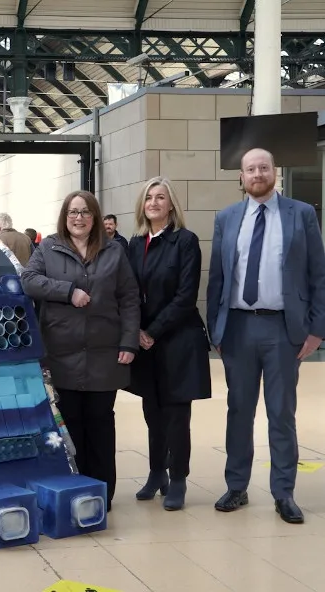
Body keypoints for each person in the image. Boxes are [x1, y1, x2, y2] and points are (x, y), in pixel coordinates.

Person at [207, 148, 325, 525]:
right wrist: (217, 328)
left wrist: (316, 329)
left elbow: (319, 276)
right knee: (239, 411)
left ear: (275, 172)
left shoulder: (301, 214)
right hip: (238, 328)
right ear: (241, 177)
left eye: (264, 167)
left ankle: (284, 493)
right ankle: (237, 486)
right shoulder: (226, 218)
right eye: (250, 169)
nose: (257, 173)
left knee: (281, 413)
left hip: (283, 329)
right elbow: (217, 279)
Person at [21, 190, 140, 511]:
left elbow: (129, 298)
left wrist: (129, 341)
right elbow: (27, 279)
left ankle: (103, 493)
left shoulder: (114, 251)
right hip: (62, 353)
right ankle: (76, 489)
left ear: (95, 217)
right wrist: (67, 291)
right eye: (73, 212)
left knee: (101, 424)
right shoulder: (48, 248)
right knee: (71, 424)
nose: (79, 218)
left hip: (104, 353)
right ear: (65, 216)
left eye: (85, 212)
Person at [127, 177, 211, 511]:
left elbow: (186, 296)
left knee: (176, 415)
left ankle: (178, 479)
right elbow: (128, 292)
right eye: (149, 197)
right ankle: (156, 472)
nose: (154, 202)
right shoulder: (135, 244)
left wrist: (152, 331)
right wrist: (135, 329)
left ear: (171, 204)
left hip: (177, 339)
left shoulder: (185, 241)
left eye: (161, 197)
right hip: (146, 342)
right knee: (152, 412)